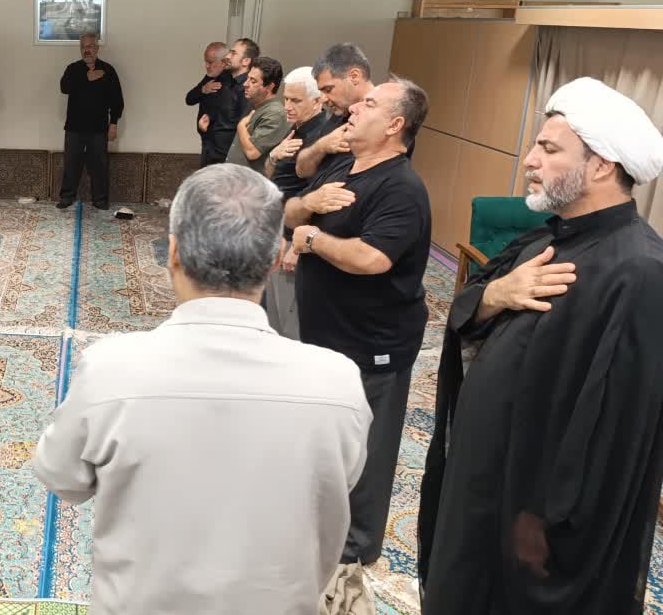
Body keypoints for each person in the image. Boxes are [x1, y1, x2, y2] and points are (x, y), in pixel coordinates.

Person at [33, 163, 371, 615]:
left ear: (173, 252)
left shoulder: (111, 369)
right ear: (276, 258)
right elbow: (341, 484)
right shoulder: (339, 382)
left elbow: (61, 477)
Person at [418, 78, 663, 615]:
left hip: (534, 520)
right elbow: (470, 309)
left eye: (549, 150)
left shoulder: (640, 272)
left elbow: (618, 432)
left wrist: (547, 522)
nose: (529, 160)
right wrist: (495, 296)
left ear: (601, 166)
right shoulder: (549, 238)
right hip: (484, 481)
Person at [284, 77, 432, 566]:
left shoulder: (401, 188)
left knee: (367, 447)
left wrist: (312, 240)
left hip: (373, 344)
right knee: (329, 439)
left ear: (394, 125)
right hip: (327, 336)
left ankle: (355, 552)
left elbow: (372, 259)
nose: (354, 109)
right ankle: (321, 528)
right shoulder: (344, 164)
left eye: (369, 104)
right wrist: (308, 208)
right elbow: (291, 211)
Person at [262, 65, 331, 339]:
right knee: (271, 317)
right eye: (286, 99)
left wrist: (297, 247)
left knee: (289, 324)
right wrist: (274, 155)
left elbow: (319, 198)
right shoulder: (296, 129)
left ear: (317, 101)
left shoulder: (320, 137)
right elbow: (274, 174)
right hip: (278, 231)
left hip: (294, 240)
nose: (287, 107)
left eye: (296, 101)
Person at [57, 32, 124, 210]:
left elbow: (117, 100)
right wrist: (86, 78)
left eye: (90, 46)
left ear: (97, 48)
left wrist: (113, 124)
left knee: (99, 166)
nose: (86, 50)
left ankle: (100, 200)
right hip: (74, 128)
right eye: (83, 47)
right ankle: (67, 197)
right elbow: (64, 87)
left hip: (99, 129)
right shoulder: (73, 69)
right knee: (71, 164)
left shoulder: (108, 70)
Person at [295, 43, 377, 180]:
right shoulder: (339, 114)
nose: (323, 99)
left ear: (354, 76)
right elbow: (301, 171)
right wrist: (320, 147)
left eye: (328, 89)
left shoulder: (383, 120)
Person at [227, 55, 291, 175]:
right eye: (247, 78)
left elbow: (252, 152)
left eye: (253, 81)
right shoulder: (255, 105)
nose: (245, 84)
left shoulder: (275, 113)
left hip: (250, 183)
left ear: (269, 87)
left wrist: (241, 127)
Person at [185, 41, 238, 167]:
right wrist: (203, 90)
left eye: (210, 62)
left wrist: (209, 122)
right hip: (208, 143)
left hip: (221, 148)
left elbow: (228, 115)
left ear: (224, 62)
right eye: (206, 62)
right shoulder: (210, 77)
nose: (207, 66)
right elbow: (189, 99)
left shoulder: (233, 82)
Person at [224, 36, 260, 120]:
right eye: (229, 52)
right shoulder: (228, 81)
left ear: (246, 61)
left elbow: (243, 124)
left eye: (233, 53)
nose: (227, 56)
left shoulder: (247, 88)